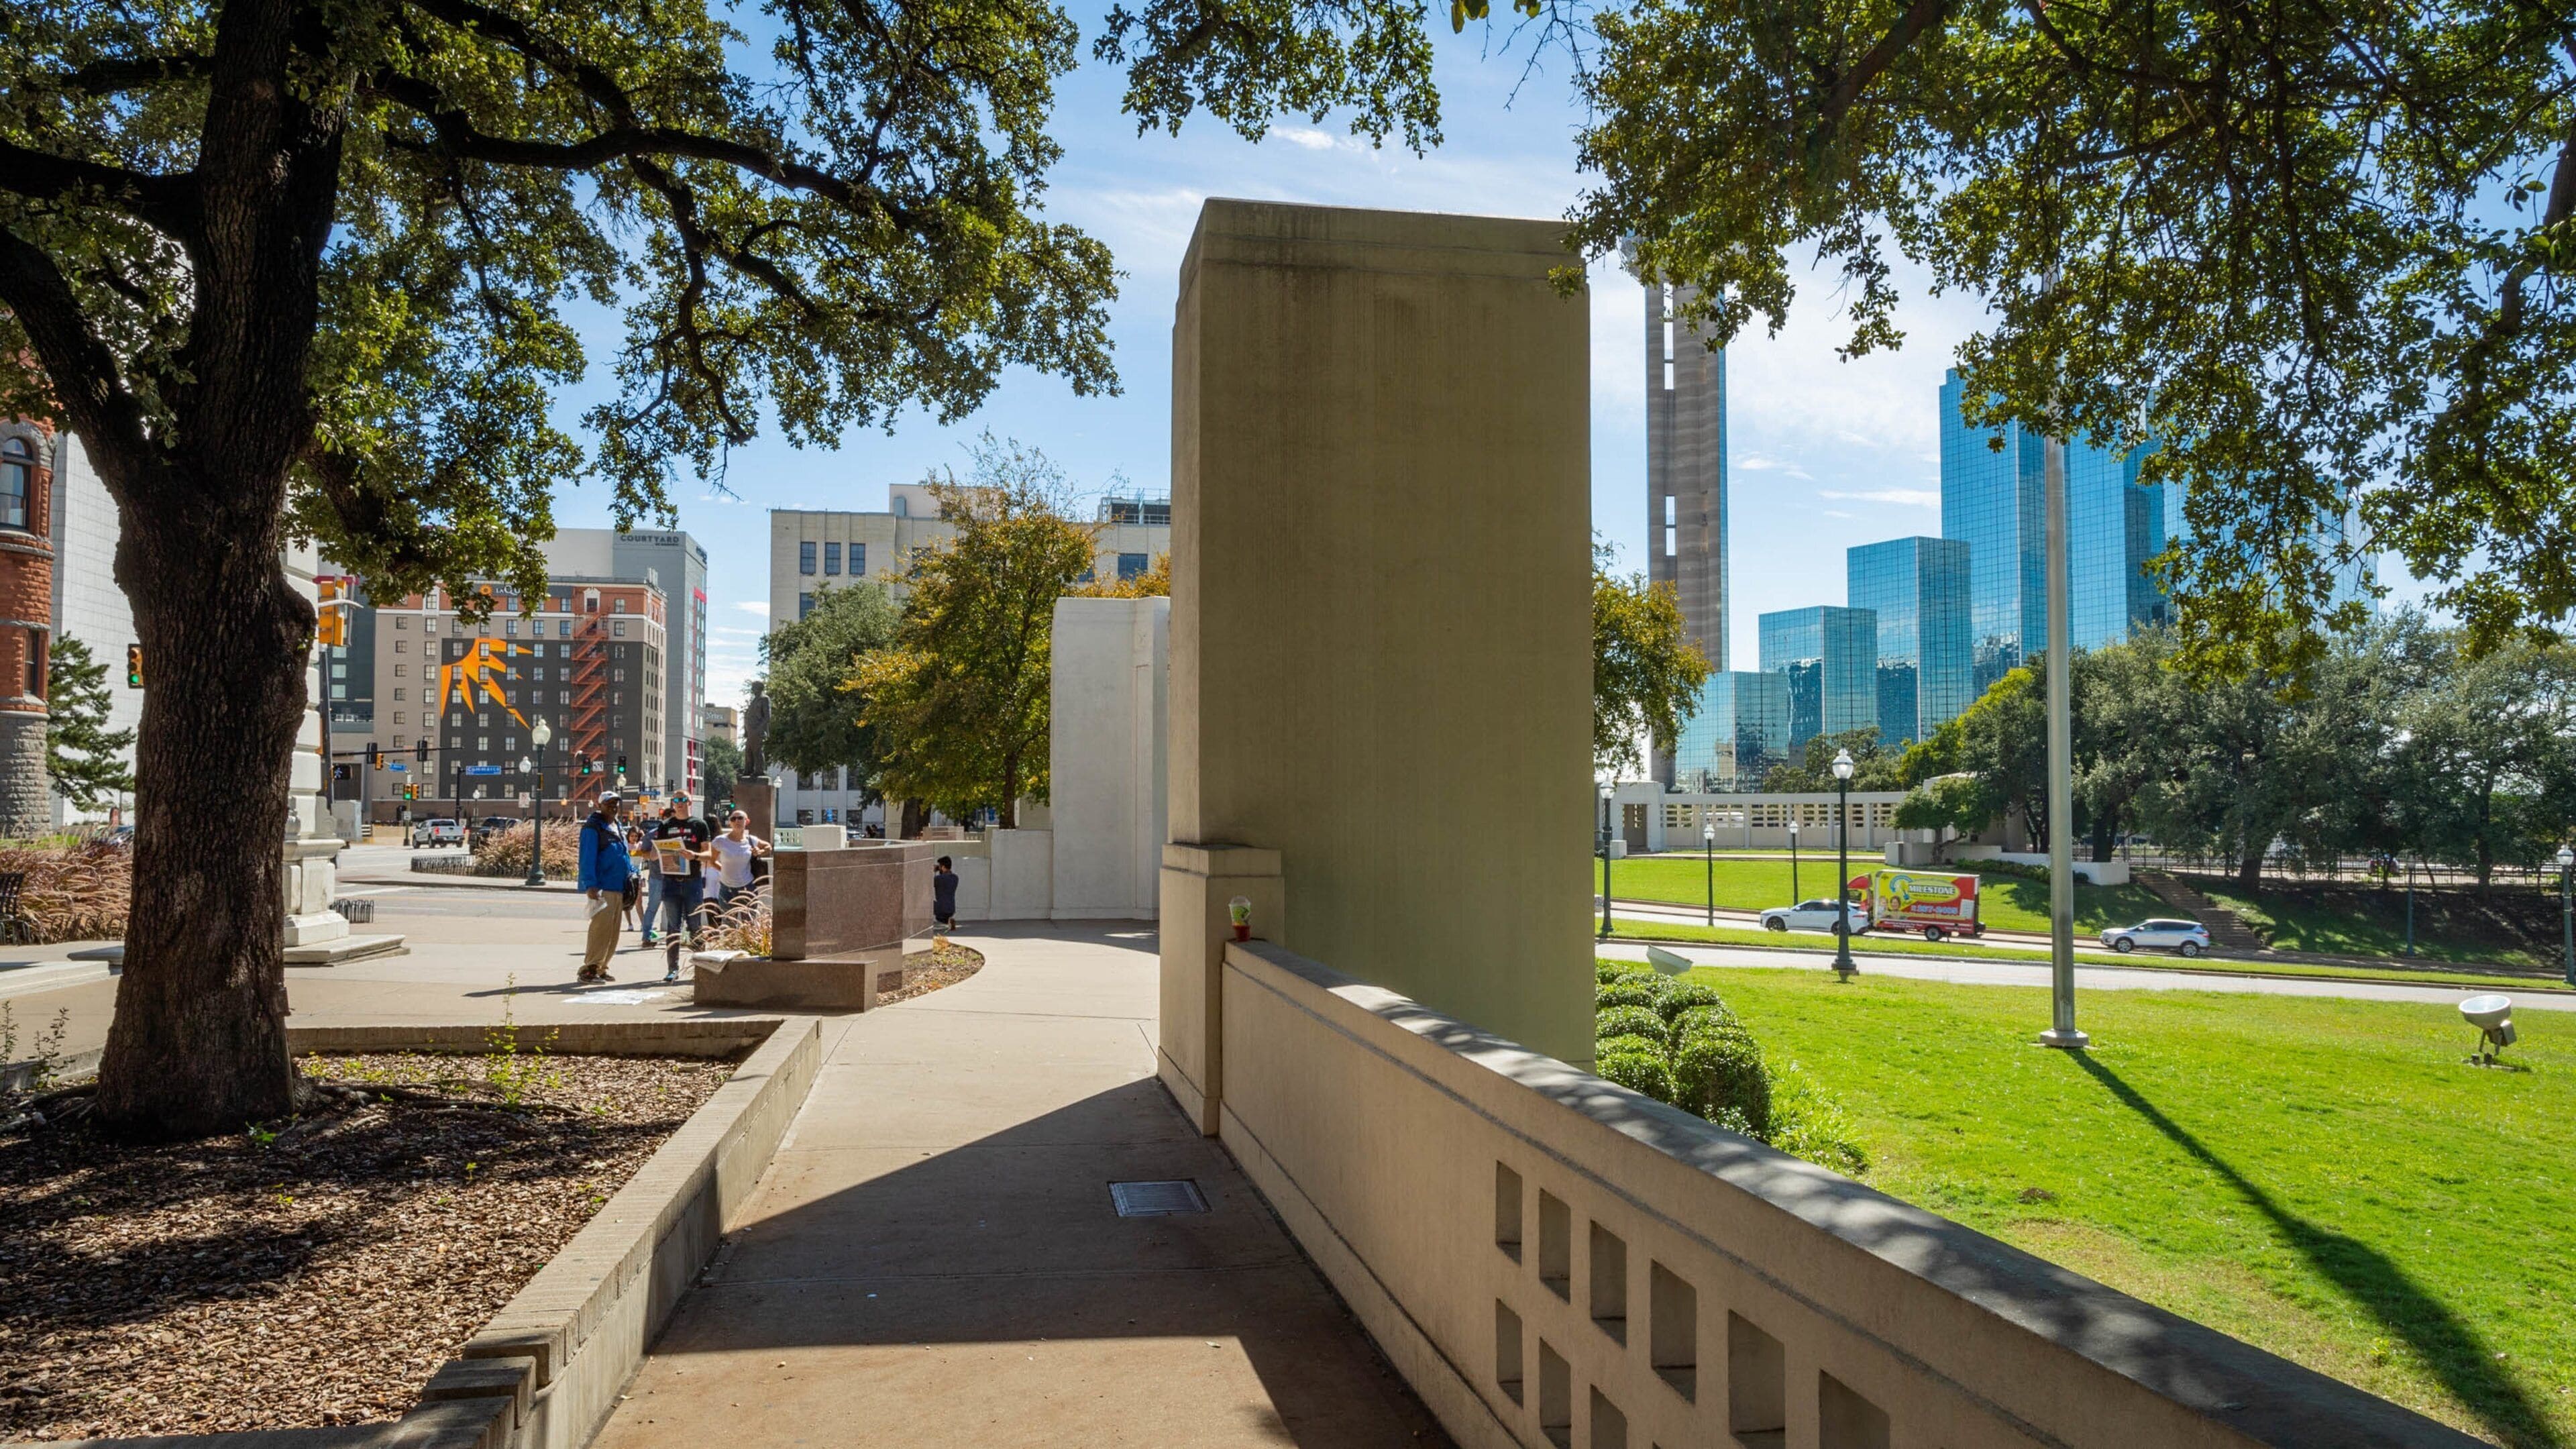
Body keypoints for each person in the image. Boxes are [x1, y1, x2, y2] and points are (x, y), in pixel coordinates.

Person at [649, 792, 718, 983]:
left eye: (682, 800)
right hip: (671, 881)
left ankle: (700, 968)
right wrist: (657, 849)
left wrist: (693, 855)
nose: (679, 804)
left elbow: (708, 855)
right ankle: (673, 969)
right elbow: (654, 855)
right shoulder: (666, 825)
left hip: (692, 881)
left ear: (690, 802)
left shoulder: (699, 825)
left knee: (695, 926)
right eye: (676, 801)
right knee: (673, 927)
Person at [575, 790, 633, 983]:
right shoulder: (593, 827)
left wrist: (633, 873)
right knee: (601, 929)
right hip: (602, 887)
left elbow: (624, 854)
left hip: (618, 886)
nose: (613, 806)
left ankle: (601, 967)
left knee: (613, 932)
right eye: (609, 803)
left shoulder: (616, 826)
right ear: (600, 805)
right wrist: (590, 884)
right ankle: (589, 969)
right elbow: (587, 857)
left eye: (616, 803)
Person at [702, 809, 771, 914]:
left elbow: (768, 847)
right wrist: (724, 870)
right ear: (730, 823)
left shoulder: (751, 840)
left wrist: (760, 851)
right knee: (728, 923)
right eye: (733, 819)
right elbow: (712, 861)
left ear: (747, 821)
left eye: (740, 818)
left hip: (747, 887)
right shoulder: (720, 841)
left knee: (749, 924)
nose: (737, 821)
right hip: (726, 888)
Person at [639, 799, 675, 945]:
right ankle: (646, 937)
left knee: (674, 909)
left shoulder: (678, 833)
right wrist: (659, 852)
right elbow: (644, 853)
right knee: (653, 907)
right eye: (670, 818)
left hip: (675, 876)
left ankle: (673, 939)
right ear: (663, 819)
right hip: (658, 877)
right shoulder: (652, 835)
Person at [932, 855, 959, 947]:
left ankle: (924, 926)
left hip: (941, 908)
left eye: (940, 866)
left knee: (927, 903)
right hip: (951, 909)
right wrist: (939, 871)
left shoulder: (938, 879)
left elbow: (927, 883)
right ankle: (949, 920)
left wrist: (933, 871)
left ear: (943, 867)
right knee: (940, 917)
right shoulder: (955, 878)